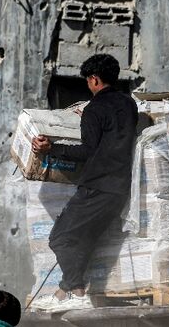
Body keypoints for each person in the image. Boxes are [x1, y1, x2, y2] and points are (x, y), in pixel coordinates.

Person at [29, 53, 139, 311]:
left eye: (88, 81)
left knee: (60, 238)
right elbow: (111, 133)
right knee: (83, 241)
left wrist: (51, 149)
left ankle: (77, 294)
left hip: (97, 186)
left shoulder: (94, 109)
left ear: (94, 79)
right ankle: (66, 292)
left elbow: (87, 151)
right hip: (119, 189)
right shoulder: (129, 105)